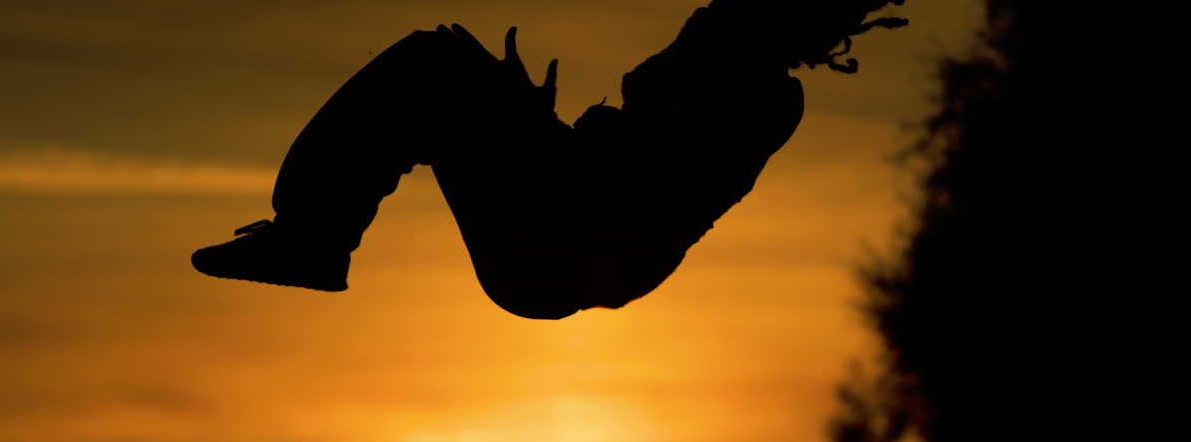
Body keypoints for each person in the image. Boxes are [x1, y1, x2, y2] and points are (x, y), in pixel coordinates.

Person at [192, 0, 907, 319]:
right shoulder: (735, 59)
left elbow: (651, 189)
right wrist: (533, 127)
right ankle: (313, 235)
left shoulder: (757, 92)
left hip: (572, 246)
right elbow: (640, 151)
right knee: (439, 73)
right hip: (570, 230)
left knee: (436, 64)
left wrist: (534, 135)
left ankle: (311, 238)